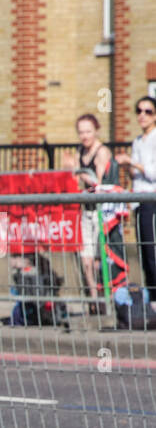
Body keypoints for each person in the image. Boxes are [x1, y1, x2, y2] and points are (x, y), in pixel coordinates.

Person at [70, 114, 119, 308]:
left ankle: (106, 297)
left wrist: (80, 173)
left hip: (103, 211)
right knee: (86, 259)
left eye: (88, 131)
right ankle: (94, 300)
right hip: (86, 210)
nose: (84, 136)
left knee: (100, 259)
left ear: (96, 130)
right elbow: (75, 181)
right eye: (81, 132)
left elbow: (97, 183)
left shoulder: (102, 152)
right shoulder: (79, 151)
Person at [116, 96, 156, 301]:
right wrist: (127, 165)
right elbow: (136, 175)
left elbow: (153, 173)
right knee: (143, 251)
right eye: (139, 110)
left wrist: (132, 162)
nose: (142, 115)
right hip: (139, 202)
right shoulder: (137, 141)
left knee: (152, 252)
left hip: (152, 201)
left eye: (148, 111)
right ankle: (152, 297)